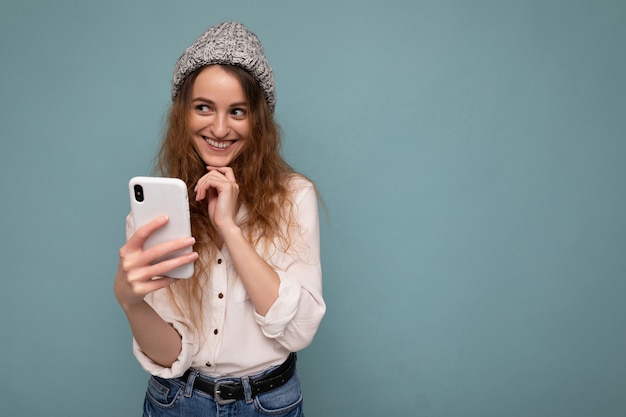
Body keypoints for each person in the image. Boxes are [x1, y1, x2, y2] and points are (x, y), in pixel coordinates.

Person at [114, 21, 325, 417]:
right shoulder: (155, 209)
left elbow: (299, 330)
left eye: (238, 111)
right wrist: (131, 303)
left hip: (267, 405)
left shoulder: (294, 196)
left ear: (257, 120)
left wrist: (229, 227)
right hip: (177, 402)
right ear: (184, 114)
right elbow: (173, 353)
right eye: (204, 107)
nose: (220, 128)